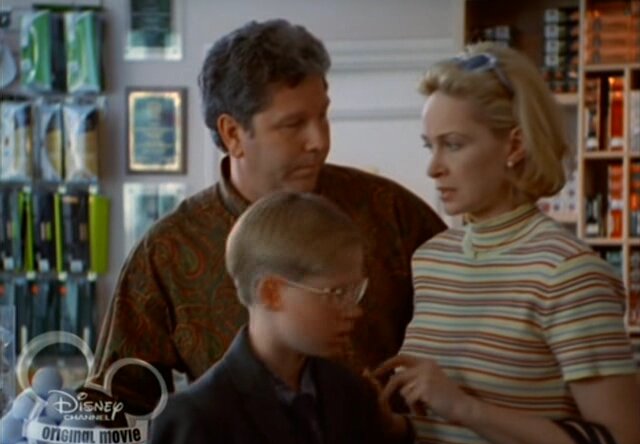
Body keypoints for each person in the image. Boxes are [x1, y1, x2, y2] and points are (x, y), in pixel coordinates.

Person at [91, 19, 445, 410]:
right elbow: (113, 405)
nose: (319, 141)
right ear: (232, 134)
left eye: (323, 116)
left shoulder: (392, 213)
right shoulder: (168, 252)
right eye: (293, 124)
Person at [374, 42, 640, 444]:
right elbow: (443, 438)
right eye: (429, 146)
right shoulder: (431, 260)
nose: (433, 168)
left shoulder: (566, 273)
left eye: (453, 145)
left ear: (514, 145)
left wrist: (464, 407)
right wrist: (392, 423)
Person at [144, 191, 435, 444]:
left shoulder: (353, 394)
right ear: (271, 293)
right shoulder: (198, 418)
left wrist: (397, 435)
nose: (355, 310)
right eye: (337, 293)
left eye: (356, 291)